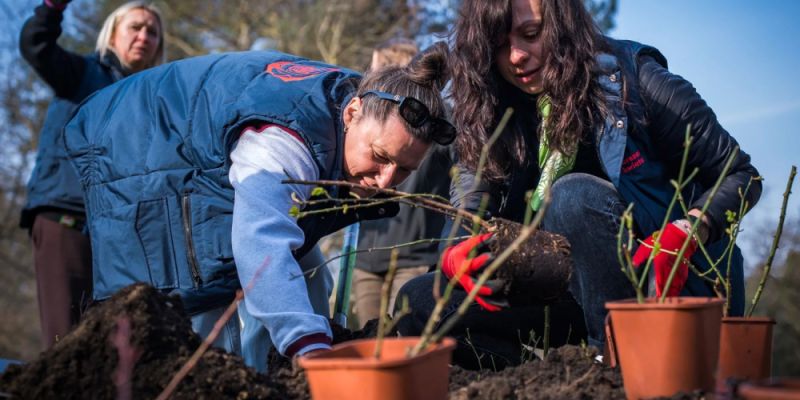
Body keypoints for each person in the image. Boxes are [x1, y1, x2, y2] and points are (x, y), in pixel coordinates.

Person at [396, 0, 761, 369]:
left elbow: (741, 175)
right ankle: (543, 381)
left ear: (564, 23)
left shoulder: (633, 80)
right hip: (562, 287)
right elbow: (471, 203)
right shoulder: (492, 109)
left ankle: (617, 367)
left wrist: (687, 231)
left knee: (572, 196)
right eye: (500, 44)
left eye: (531, 34)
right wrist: (458, 248)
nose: (517, 56)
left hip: (663, 285)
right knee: (420, 300)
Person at [63, 43, 454, 371]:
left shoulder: (361, 105)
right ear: (351, 113)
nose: (386, 181)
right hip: (134, 151)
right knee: (213, 325)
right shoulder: (284, 140)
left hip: (192, 148)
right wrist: (310, 349)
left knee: (311, 276)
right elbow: (260, 242)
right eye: (380, 156)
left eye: (404, 169)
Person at [19, 0, 165, 349]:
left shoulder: (153, 98)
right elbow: (35, 46)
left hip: (119, 233)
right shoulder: (82, 74)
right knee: (66, 342)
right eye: (135, 27)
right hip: (67, 217)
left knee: (114, 347)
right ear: (112, 33)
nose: (144, 36)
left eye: (153, 32)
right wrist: (51, 9)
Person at [351, 38, 453, 327]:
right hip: (366, 261)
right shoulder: (365, 126)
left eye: (376, 67)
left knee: (405, 337)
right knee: (368, 339)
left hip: (414, 259)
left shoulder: (434, 123)